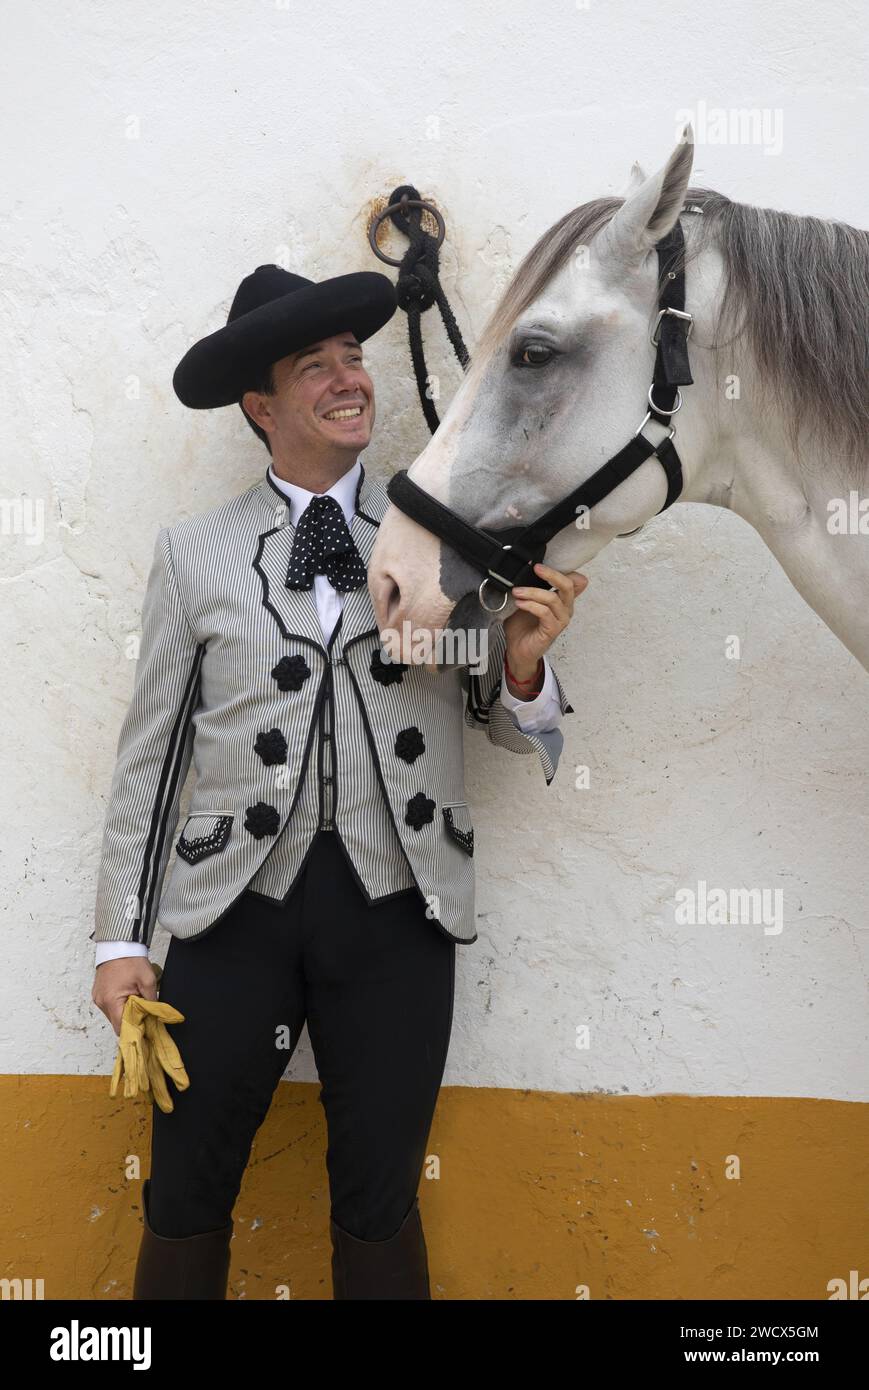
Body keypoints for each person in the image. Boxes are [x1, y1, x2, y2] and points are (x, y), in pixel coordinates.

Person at [91, 263, 585, 1300]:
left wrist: (527, 665)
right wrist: (123, 939)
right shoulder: (193, 554)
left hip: (397, 907)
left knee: (379, 1191)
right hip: (230, 914)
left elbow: (497, 719)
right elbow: (155, 753)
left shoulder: (445, 542)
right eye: (313, 367)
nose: (347, 379)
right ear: (261, 408)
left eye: (353, 358)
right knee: (184, 1186)